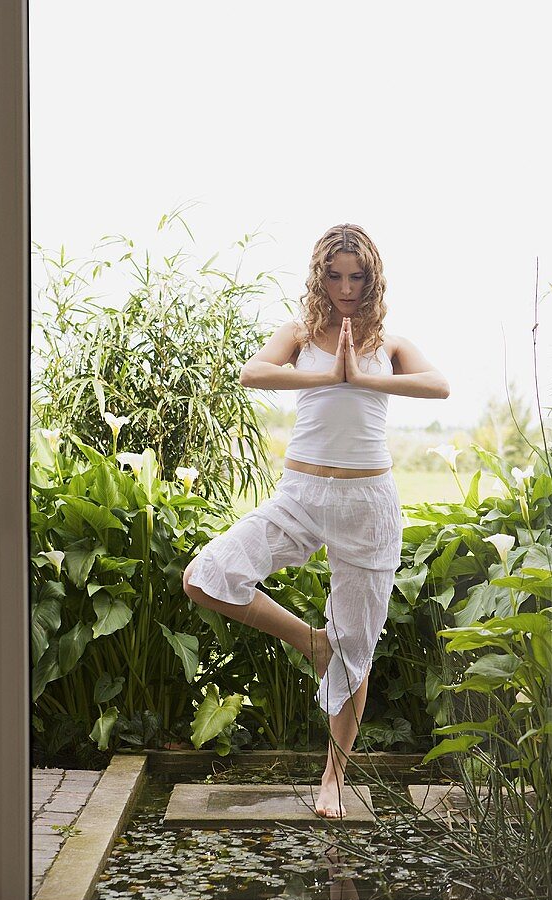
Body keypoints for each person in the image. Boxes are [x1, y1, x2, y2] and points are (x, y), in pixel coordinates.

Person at [182, 223, 450, 818]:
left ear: (373, 277)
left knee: (359, 646)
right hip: (300, 495)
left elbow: (439, 385)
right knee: (205, 576)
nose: (346, 289)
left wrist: (366, 377)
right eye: (335, 276)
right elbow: (252, 373)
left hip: (368, 504)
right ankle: (311, 643)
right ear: (319, 276)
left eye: (357, 277)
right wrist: (328, 376)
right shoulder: (300, 332)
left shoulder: (390, 341)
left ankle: (333, 778)